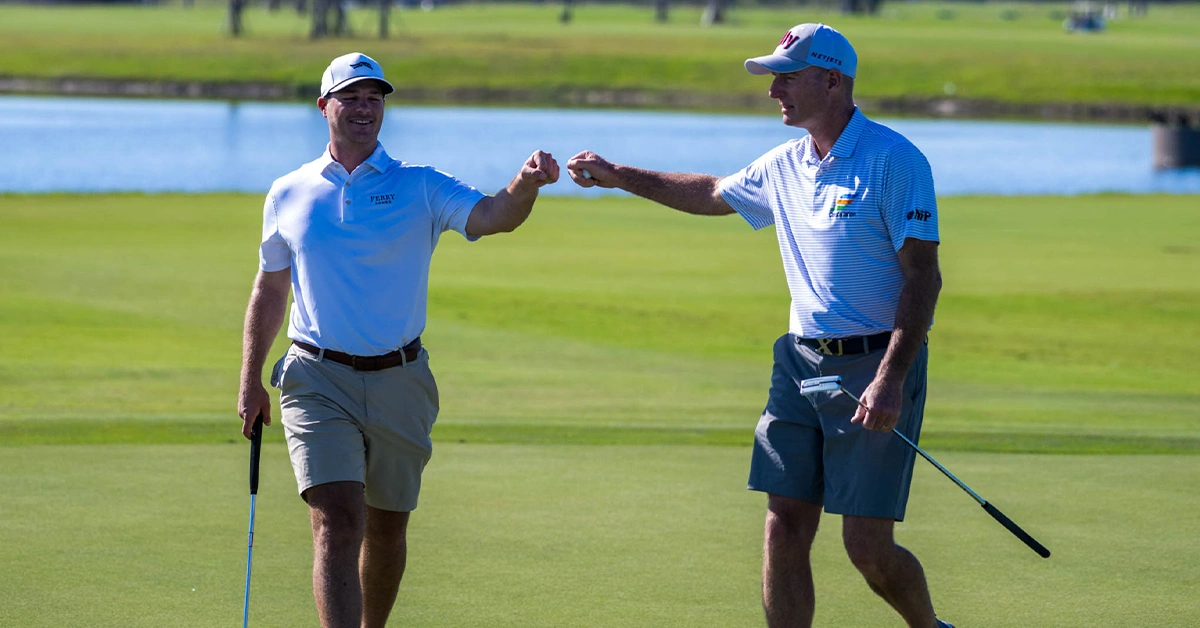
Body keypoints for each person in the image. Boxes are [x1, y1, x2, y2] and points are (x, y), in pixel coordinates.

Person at [566, 23, 952, 628]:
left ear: (833, 80)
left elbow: (922, 278)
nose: (774, 91)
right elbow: (713, 194)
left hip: (872, 366)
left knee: (867, 548)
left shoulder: (894, 160)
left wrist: (891, 379)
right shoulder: (786, 164)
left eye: (787, 77)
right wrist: (621, 176)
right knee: (783, 525)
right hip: (798, 363)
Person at [236, 52, 559, 628]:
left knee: (386, 528)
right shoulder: (288, 192)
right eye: (352, 97)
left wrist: (526, 183)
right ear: (324, 107)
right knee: (337, 517)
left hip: (401, 379)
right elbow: (270, 286)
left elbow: (493, 215)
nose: (364, 108)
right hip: (315, 377)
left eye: (374, 98)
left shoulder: (422, 185)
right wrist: (250, 380)